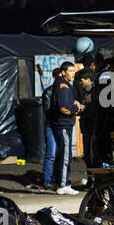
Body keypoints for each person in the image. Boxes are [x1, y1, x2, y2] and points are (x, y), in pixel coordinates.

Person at [43, 62, 81, 194]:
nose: (72, 74)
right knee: (65, 155)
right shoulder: (63, 86)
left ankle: (60, 182)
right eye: (70, 71)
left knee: (62, 154)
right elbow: (63, 108)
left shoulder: (63, 86)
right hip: (63, 124)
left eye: (74, 71)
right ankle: (63, 184)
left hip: (62, 124)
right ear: (63, 72)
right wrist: (75, 108)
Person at [75, 54, 102, 169]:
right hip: (87, 126)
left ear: (88, 80)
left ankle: (95, 178)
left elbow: (94, 110)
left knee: (93, 153)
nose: (80, 83)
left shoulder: (96, 93)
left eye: (82, 81)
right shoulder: (86, 92)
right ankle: (91, 178)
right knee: (88, 154)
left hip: (92, 126)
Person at [93, 57, 114, 169]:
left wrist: (97, 130)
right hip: (109, 127)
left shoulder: (108, 85)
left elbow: (102, 110)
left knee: (109, 157)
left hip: (109, 128)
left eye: (112, 66)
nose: (110, 69)